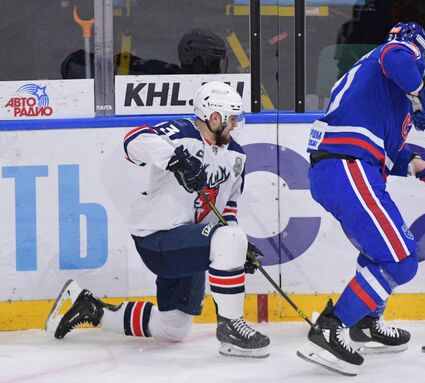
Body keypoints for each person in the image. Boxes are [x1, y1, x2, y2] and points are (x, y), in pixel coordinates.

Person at [45, 81, 271, 358]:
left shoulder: (237, 156)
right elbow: (133, 141)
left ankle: (91, 309)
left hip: (190, 242)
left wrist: (237, 251)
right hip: (158, 238)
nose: (236, 125)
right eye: (232, 119)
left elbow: (228, 209)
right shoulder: (181, 133)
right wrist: (176, 160)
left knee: (173, 327)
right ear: (215, 118)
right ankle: (231, 329)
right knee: (231, 239)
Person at [298, 22, 425, 376]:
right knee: (401, 261)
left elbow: (395, 155)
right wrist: (422, 93)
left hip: (346, 169)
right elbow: (397, 55)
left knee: (380, 252)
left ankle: (365, 321)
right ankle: (332, 326)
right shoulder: (391, 56)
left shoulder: (384, 94)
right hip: (348, 167)